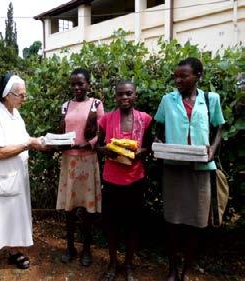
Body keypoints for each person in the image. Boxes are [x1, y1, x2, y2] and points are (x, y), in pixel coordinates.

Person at [154, 57, 225, 281]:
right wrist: (160, 146)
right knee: (172, 221)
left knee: (196, 221)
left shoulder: (210, 99)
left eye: (183, 76)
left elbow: (219, 128)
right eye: (176, 76)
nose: (178, 80)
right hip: (174, 167)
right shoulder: (168, 100)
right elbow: (158, 128)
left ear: (198, 76)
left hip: (201, 168)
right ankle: (173, 269)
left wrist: (212, 149)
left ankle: (186, 270)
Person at [0, 73, 44, 280]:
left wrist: (40, 141)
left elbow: (23, 139)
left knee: (15, 214)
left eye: (25, 95)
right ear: (7, 94)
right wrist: (28, 144)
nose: (24, 98)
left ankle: (14, 250)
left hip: (16, 176)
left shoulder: (15, 113)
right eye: (20, 95)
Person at [97, 81, 152, 281]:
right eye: (120, 94)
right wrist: (106, 150)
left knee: (132, 225)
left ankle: (128, 264)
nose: (124, 98)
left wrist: (140, 153)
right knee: (111, 225)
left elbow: (149, 146)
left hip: (135, 179)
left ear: (135, 95)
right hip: (111, 179)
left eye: (128, 94)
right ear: (115, 97)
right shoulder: (106, 119)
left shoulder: (145, 119)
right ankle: (112, 263)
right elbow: (99, 145)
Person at [56, 68, 104, 266]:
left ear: (88, 84)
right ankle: (69, 247)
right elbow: (62, 130)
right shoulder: (65, 106)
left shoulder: (96, 105)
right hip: (69, 161)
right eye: (73, 84)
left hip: (88, 160)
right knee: (69, 209)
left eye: (81, 83)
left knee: (86, 210)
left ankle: (86, 249)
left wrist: (90, 143)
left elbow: (103, 131)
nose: (77, 87)